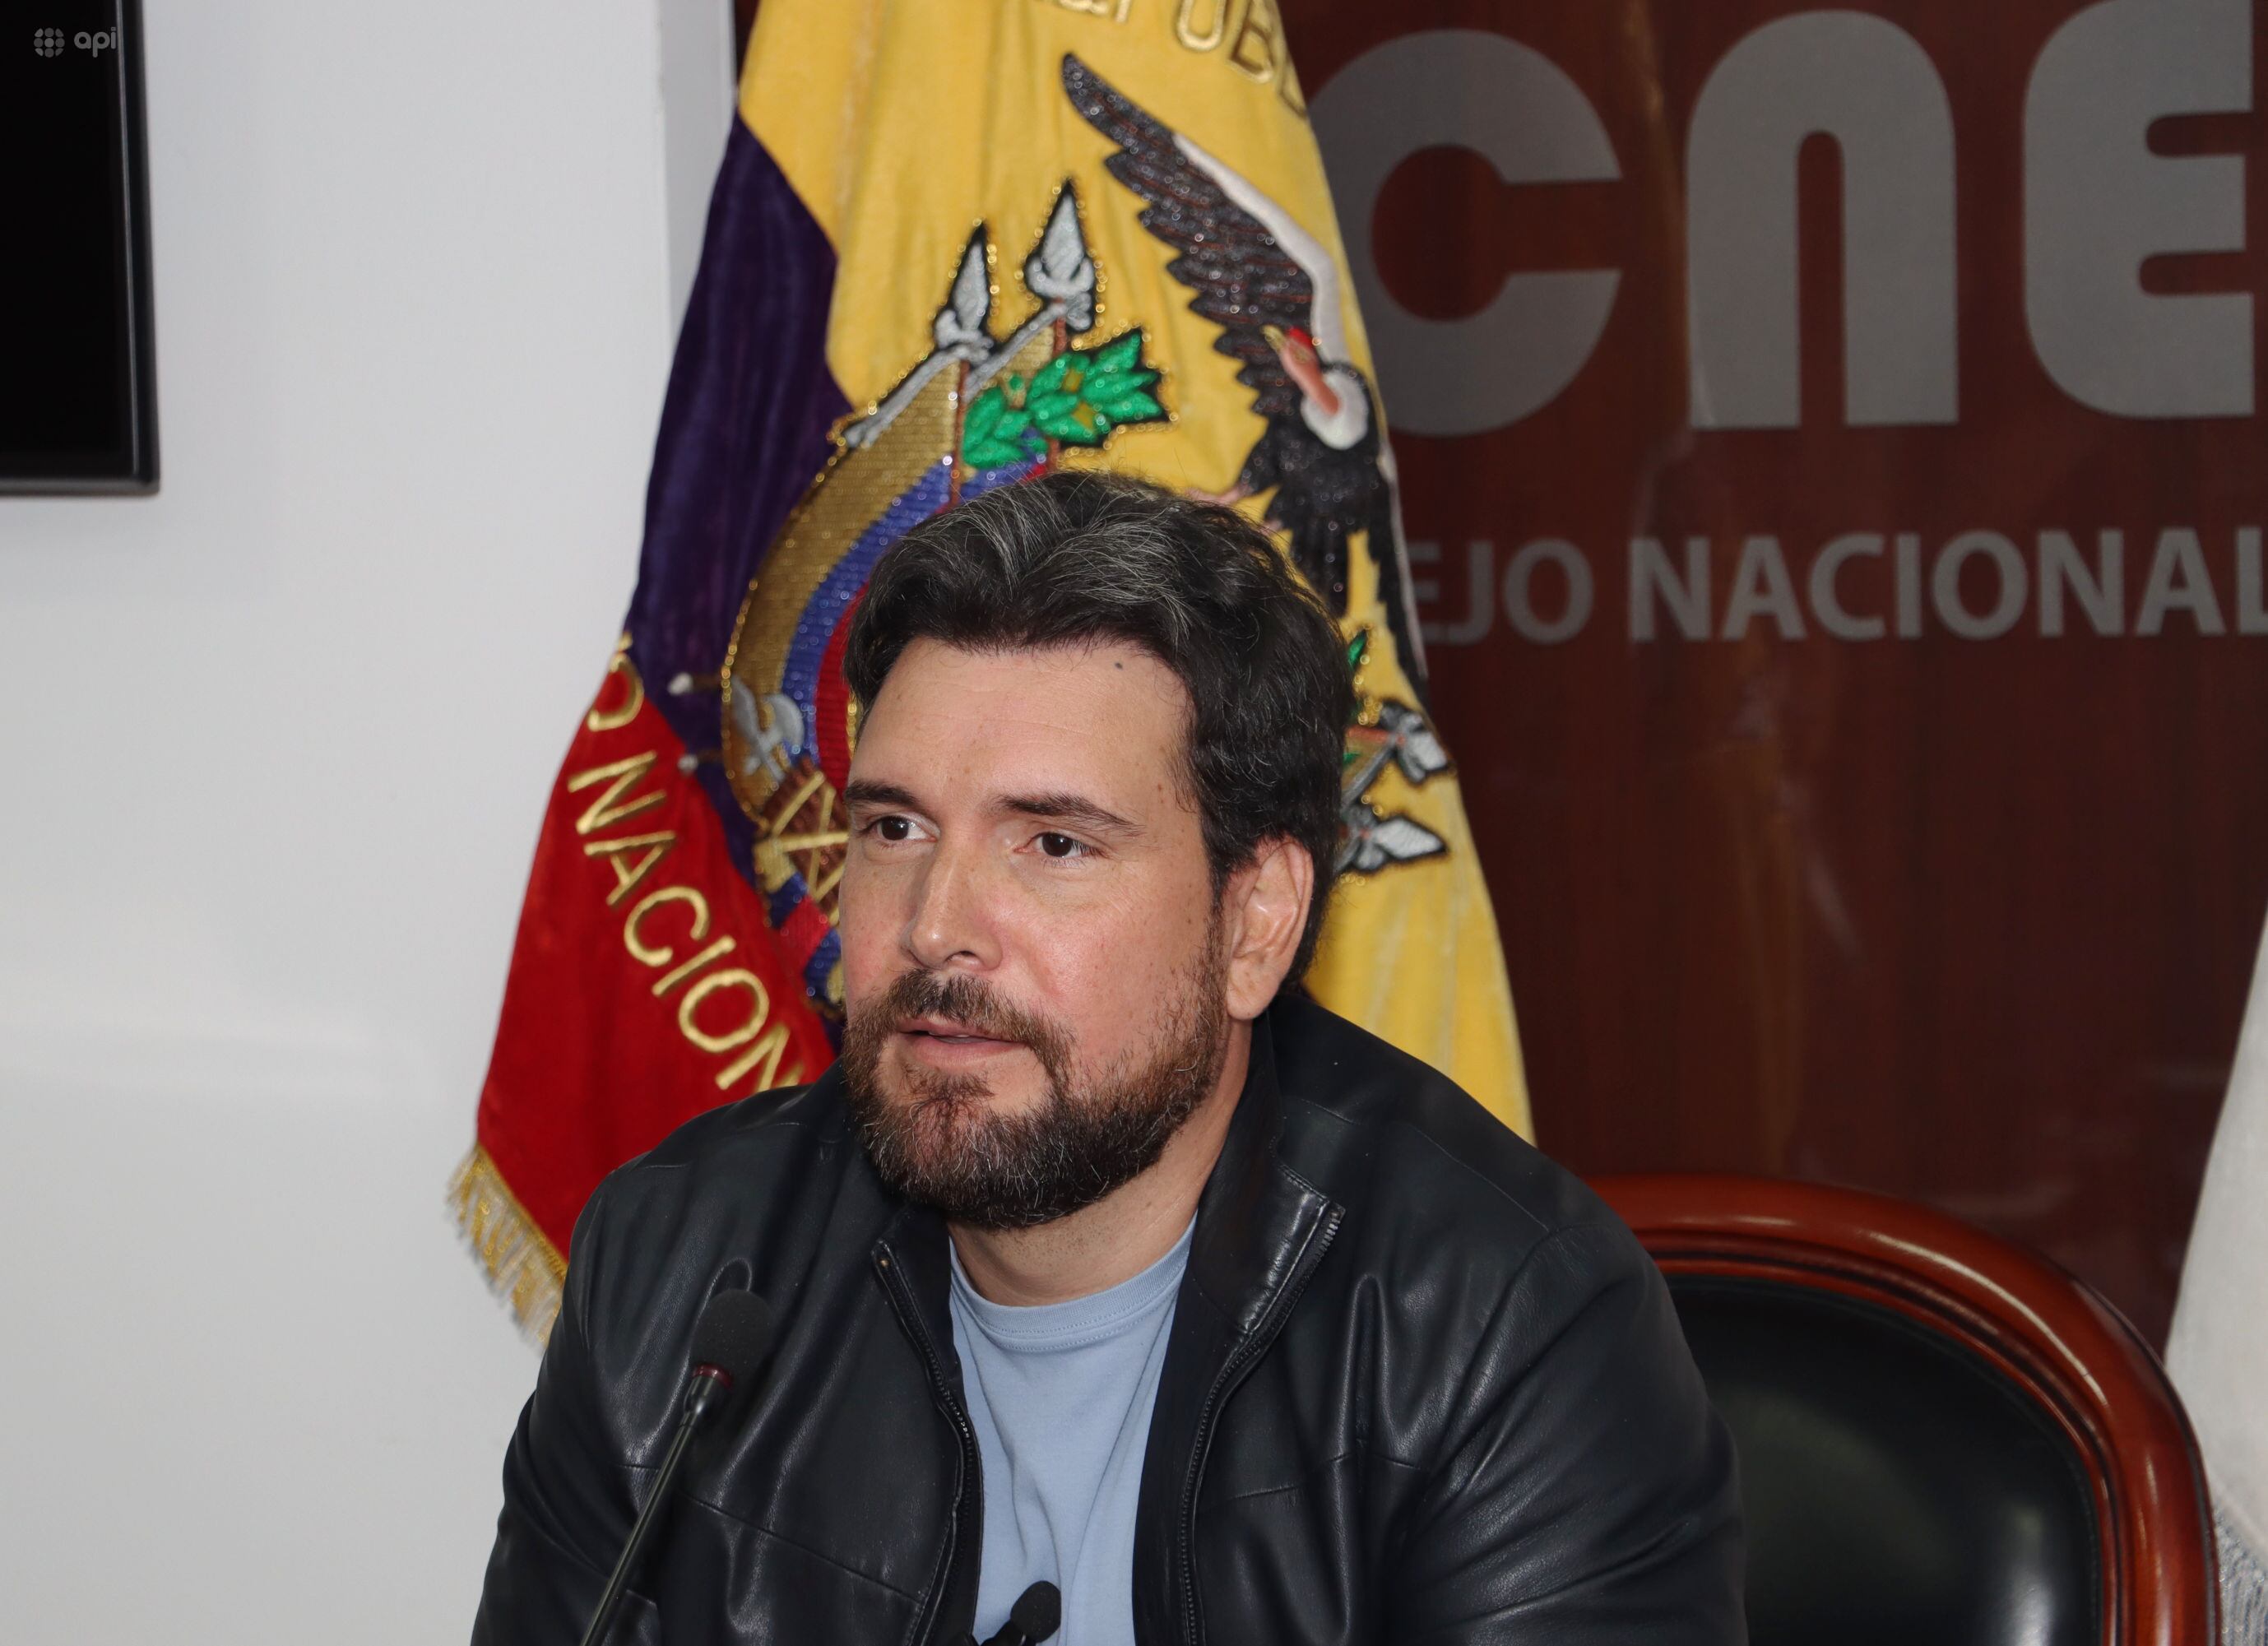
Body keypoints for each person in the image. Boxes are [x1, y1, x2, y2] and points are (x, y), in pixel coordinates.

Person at [471, 471, 1744, 1645]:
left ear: (1253, 923)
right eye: (896, 827)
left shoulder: (1505, 1332)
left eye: (1053, 844)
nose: (934, 925)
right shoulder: (683, 1275)